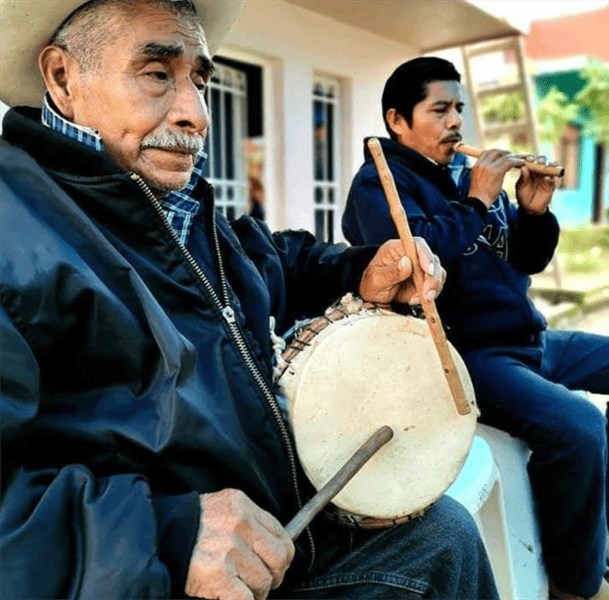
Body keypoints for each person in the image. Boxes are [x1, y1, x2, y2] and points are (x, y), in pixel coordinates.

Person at [0, 3, 501, 599]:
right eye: (158, 74)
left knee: (445, 536)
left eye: (200, 79)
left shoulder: (180, 211)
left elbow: (275, 262)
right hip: (158, 578)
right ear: (62, 78)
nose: (195, 114)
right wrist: (169, 535)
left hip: (277, 537)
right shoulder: (15, 233)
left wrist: (361, 269)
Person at [342, 56, 609, 600]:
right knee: (580, 427)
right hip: (470, 355)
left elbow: (525, 261)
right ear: (398, 119)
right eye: (439, 109)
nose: (455, 122)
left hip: (530, 339)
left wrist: (533, 214)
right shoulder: (380, 183)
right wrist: (478, 198)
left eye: (458, 108)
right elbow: (415, 263)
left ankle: (598, 523)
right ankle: (574, 587)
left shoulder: (460, 180)